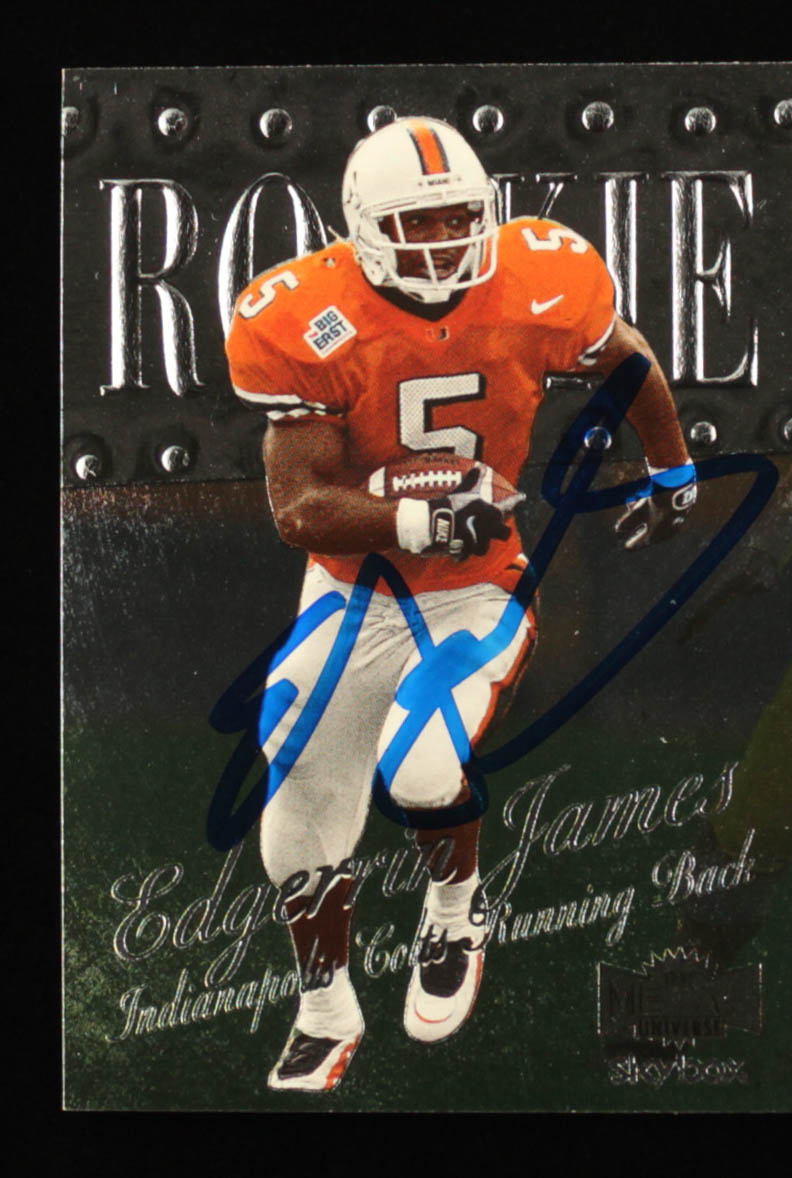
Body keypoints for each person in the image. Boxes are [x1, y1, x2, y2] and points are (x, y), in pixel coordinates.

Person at [225, 116, 696, 1092]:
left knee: (425, 763)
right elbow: (300, 507)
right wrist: (424, 519)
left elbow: (625, 356)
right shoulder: (305, 315)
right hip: (355, 587)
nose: (444, 243)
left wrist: (673, 466)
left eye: (458, 218)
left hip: (477, 586)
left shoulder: (537, 275)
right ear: (364, 227)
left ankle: (455, 906)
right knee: (297, 796)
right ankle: (325, 1005)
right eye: (417, 223)